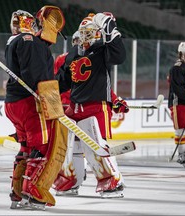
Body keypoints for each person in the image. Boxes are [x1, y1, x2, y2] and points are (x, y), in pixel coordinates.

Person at [55, 12, 129, 198]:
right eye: (83, 32)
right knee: (71, 149)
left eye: (90, 32)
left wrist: (111, 29)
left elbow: (120, 56)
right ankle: (70, 180)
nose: (85, 36)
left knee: (95, 146)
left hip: (96, 106)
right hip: (74, 107)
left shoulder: (103, 49)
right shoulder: (73, 53)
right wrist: (44, 88)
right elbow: (62, 81)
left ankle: (111, 180)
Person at [4, 7, 67, 209]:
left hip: (13, 102)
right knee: (41, 146)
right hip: (29, 103)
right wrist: (52, 103)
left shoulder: (14, 41)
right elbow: (38, 75)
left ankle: (17, 193)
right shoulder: (29, 42)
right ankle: (33, 192)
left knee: (25, 147)